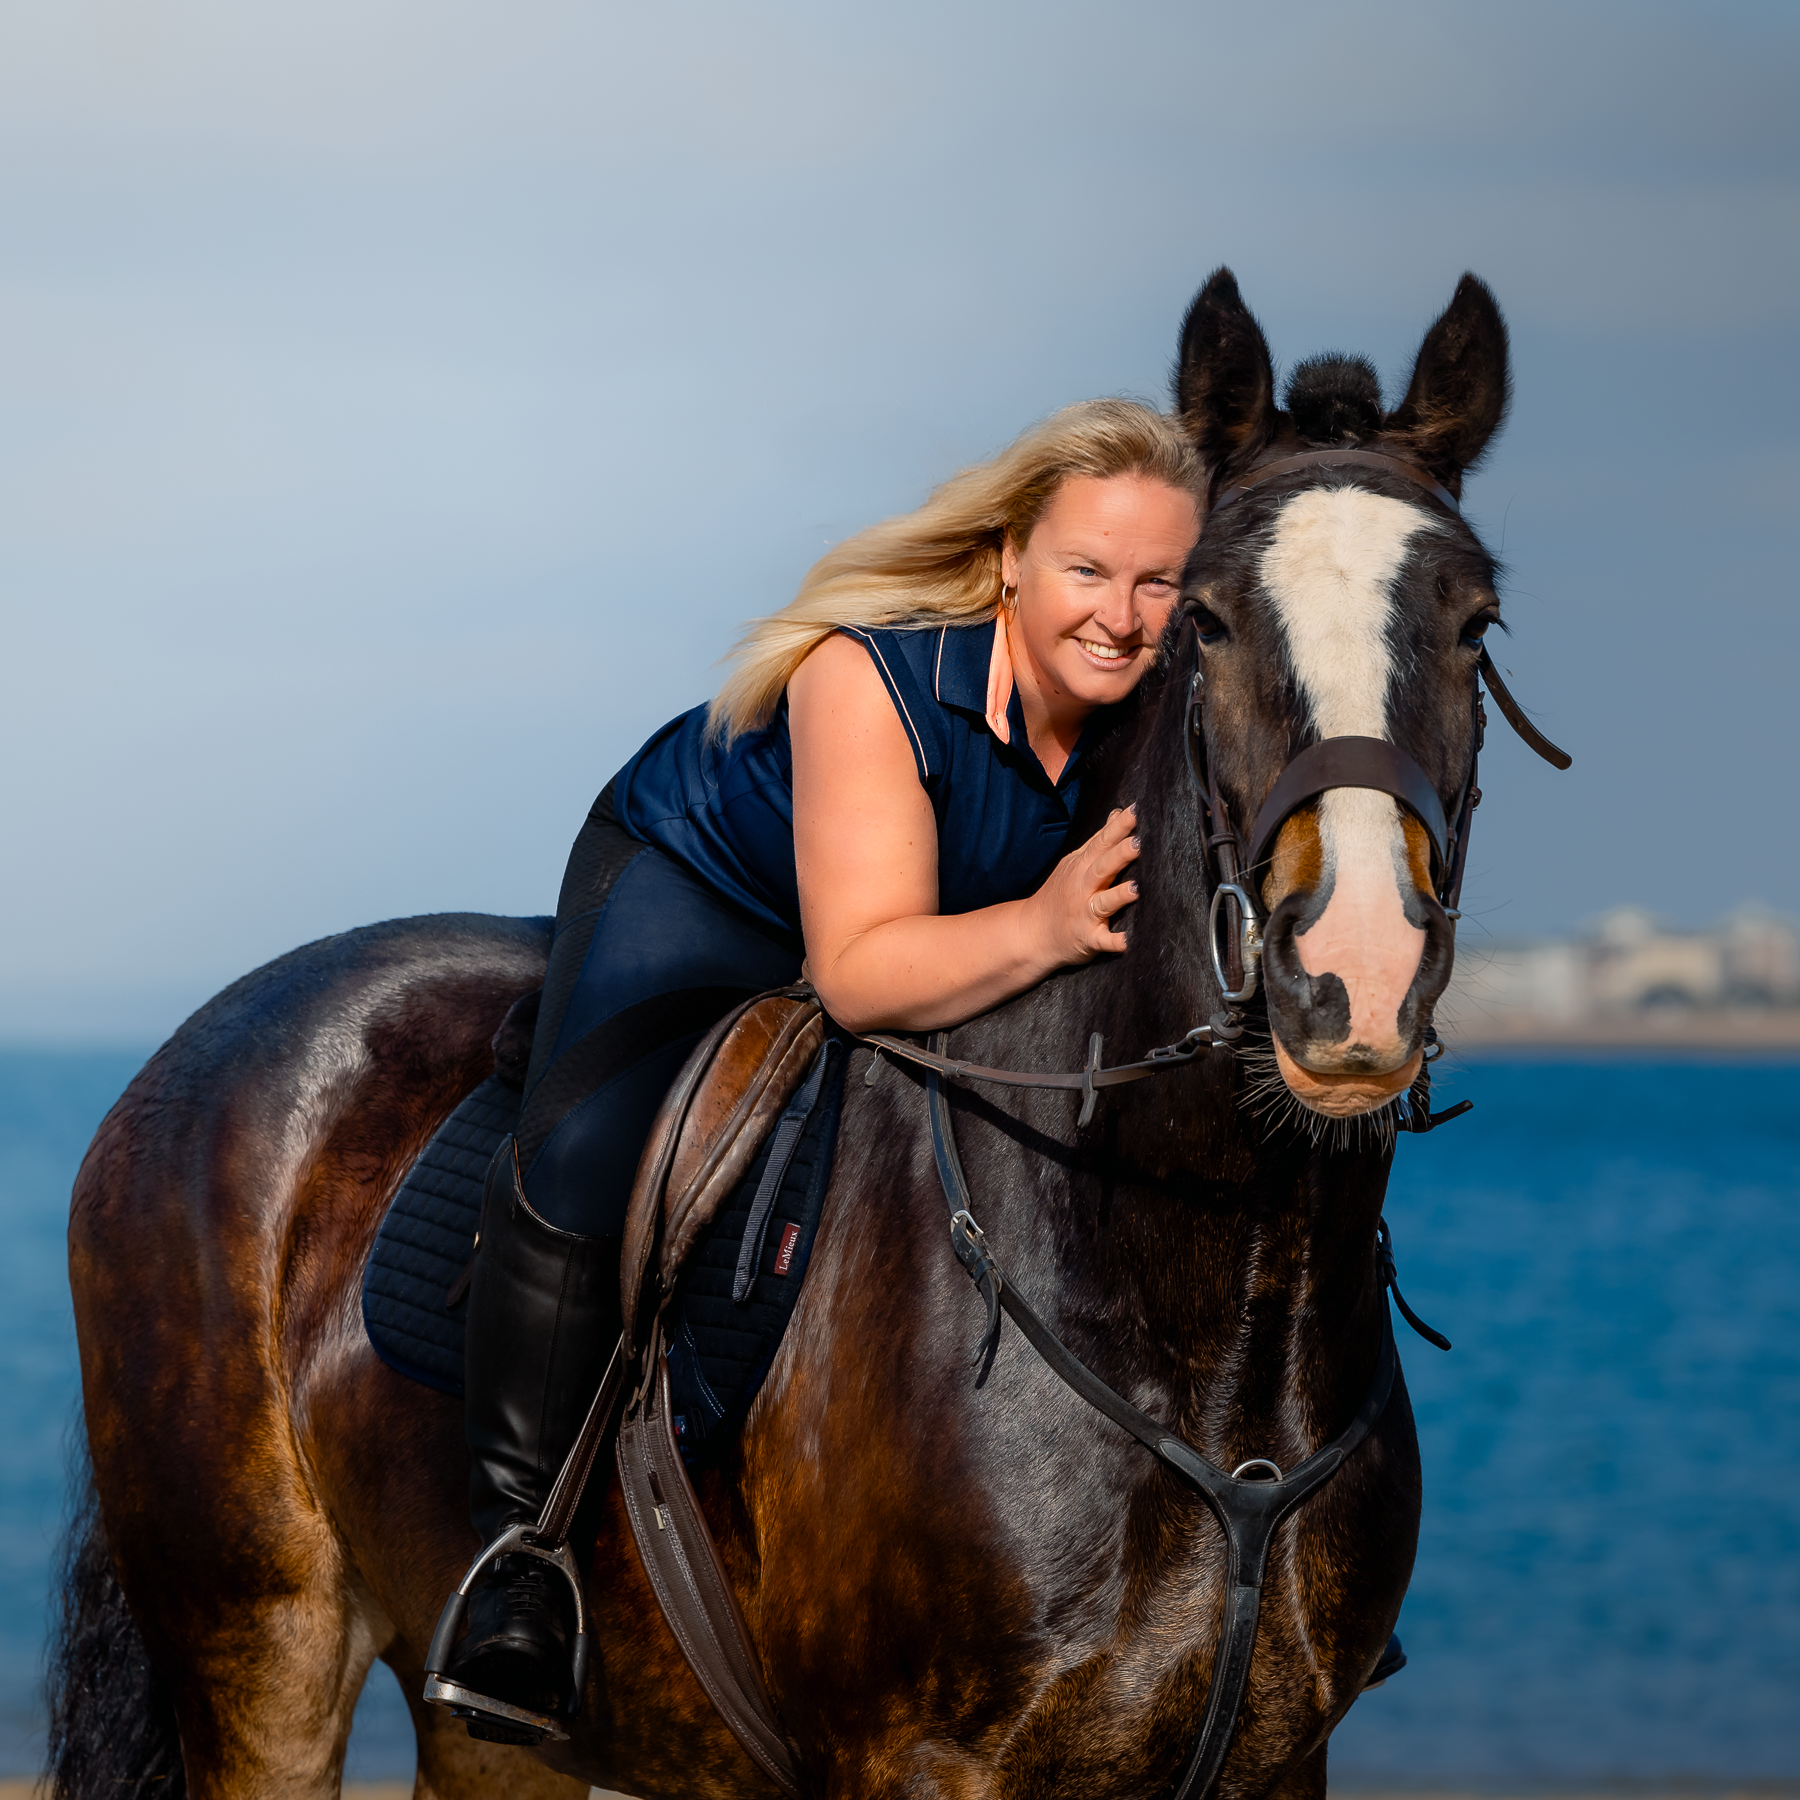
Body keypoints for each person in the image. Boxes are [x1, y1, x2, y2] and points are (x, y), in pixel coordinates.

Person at [444, 399, 1203, 1730]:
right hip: (709, 885)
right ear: (1012, 557)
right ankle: (525, 1562)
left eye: (1160, 582)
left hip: (965, 922)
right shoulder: (868, 674)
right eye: (1089, 569)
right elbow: (857, 973)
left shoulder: (1166, 696)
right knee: (583, 1154)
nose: (1122, 615)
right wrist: (1043, 923)